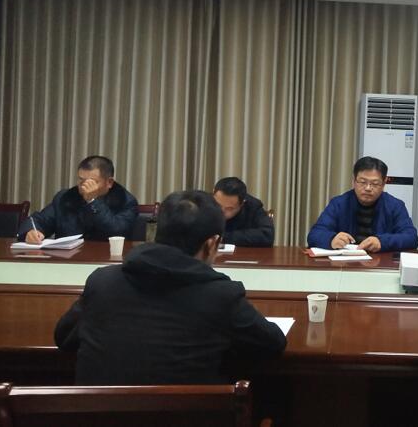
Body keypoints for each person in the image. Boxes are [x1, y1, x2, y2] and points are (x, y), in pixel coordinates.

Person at [54, 190, 287, 384]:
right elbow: (273, 344)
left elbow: (64, 337)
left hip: (98, 417)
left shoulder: (102, 282)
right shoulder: (221, 296)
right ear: (212, 243)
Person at [307, 156, 418, 253]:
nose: (368, 188)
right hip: (344, 265)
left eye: (375, 183)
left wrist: (382, 242)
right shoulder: (339, 204)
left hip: (379, 265)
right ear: (354, 181)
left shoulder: (395, 206)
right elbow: (314, 234)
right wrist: (331, 239)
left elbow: (412, 238)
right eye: (363, 182)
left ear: (384, 184)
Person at [19, 155, 138, 242]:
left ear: (109, 182)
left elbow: (117, 231)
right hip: (67, 260)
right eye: (81, 180)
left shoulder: (126, 201)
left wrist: (93, 202)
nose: (83, 186)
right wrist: (31, 232)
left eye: (91, 182)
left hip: (106, 261)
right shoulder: (66, 198)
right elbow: (38, 220)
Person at [213, 177, 275, 247]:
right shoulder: (205, 203)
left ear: (242, 204)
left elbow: (267, 235)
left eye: (229, 209)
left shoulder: (253, 206)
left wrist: (223, 238)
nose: (221, 211)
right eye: (218, 205)